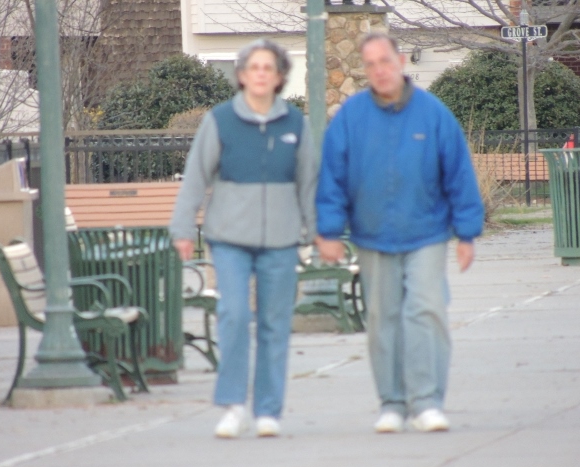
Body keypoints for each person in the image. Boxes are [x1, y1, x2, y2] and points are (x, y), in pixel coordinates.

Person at [315, 32, 484, 433]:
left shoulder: (434, 114)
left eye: (385, 62)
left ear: (401, 60)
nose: (380, 70)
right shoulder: (351, 118)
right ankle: (391, 402)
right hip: (372, 236)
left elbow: (458, 173)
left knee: (425, 312)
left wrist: (466, 233)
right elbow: (332, 179)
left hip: (425, 232)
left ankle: (426, 401)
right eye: (371, 64)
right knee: (382, 318)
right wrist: (327, 232)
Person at [169, 39, 317, 438]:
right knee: (234, 315)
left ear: (280, 77)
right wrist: (183, 229)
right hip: (229, 238)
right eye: (254, 67)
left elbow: (309, 183)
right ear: (241, 76)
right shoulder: (219, 121)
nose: (261, 74)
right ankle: (233, 405)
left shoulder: (296, 123)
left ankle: (268, 409)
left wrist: (319, 232)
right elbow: (196, 178)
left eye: (269, 68)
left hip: (282, 240)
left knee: (274, 322)